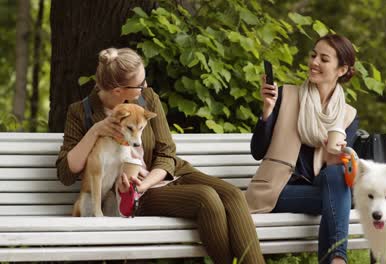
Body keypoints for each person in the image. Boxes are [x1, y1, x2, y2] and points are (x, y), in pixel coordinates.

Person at [56, 47, 265, 264]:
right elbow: (65, 173)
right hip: (136, 194)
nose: (145, 86)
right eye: (139, 84)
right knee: (206, 198)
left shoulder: (147, 99)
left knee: (233, 194)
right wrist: (96, 130)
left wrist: (148, 181)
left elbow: (167, 152)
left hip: (166, 174)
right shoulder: (82, 113)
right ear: (118, 90)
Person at [246, 34, 359, 264]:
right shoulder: (286, 95)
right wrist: (267, 111)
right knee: (338, 200)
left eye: (324, 59)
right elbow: (258, 151)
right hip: (277, 190)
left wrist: (338, 157)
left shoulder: (347, 114)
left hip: (320, 188)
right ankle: (339, 260)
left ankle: (336, 259)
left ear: (341, 69)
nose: (314, 62)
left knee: (336, 181)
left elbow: (335, 173)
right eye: (314, 55)